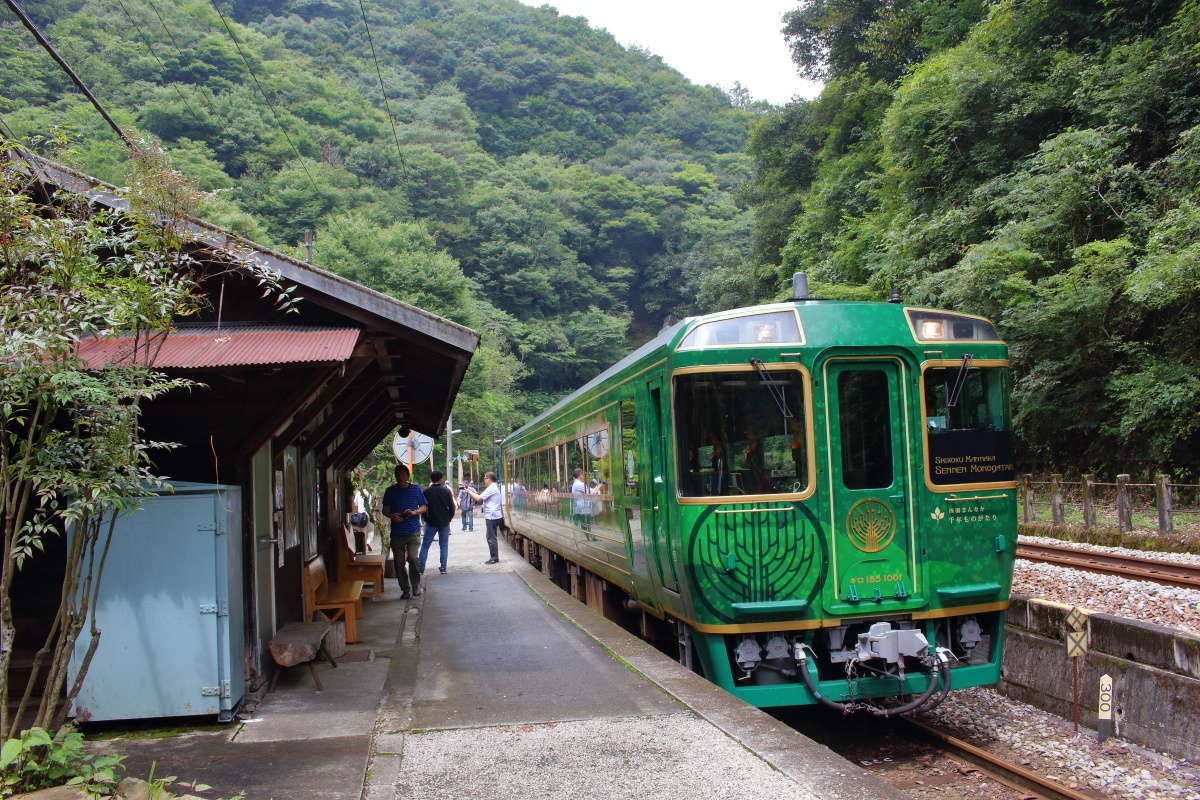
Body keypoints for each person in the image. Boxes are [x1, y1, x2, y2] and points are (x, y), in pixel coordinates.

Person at [382, 464, 427, 598]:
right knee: (398, 562)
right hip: (397, 532)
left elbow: (424, 507)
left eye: (403, 474)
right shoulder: (390, 491)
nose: (400, 477)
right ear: (395, 476)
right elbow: (385, 510)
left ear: (407, 476)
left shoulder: (416, 489)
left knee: (413, 558)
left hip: (413, 530)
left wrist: (414, 512)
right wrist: (392, 516)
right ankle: (405, 590)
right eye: (398, 475)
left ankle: (415, 585)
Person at [419, 471, 455, 575]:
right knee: (443, 545)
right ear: (441, 479)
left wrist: (425, 518)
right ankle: (443, 568)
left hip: (430, 522)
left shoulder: (426, 492)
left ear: (431, 479)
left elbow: (423, 507)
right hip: (444, 522)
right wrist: (448, 519)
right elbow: (452, 508)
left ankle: (421, 568)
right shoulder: (446, 491)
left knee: (425, 545)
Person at [466, 472, 502, 564]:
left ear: (489, 479)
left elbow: (478, 499)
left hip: (492, 516)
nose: (484, 480)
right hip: (494, 515)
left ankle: (494, 558)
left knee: (491, 537)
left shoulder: (491, 488)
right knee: (491, 536)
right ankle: (494, 556)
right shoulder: (493, 487)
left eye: (485, 478)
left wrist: (469, 491)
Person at [571, 467, 593, 538]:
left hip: (580, 508)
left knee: (585, 523)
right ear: (580, 475)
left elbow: (589, 490)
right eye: (583, 474)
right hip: (583, 508)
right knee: (586, 523)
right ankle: (588, 537)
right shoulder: (579, 484)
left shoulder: (576, 484)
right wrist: (600, 486)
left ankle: (589, 536)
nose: (584, 476)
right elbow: (591, 492)